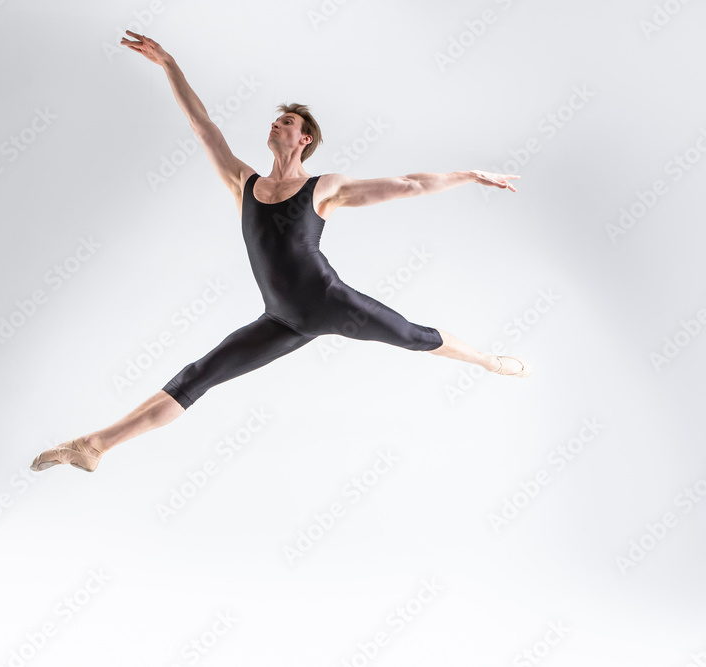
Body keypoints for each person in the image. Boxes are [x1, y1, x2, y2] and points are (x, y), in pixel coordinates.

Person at [30, 31, 529, 474]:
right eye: (275, 120)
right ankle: (92, 445)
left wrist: (470, 174)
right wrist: (169, 65)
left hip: (334, 304)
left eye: (286, 122)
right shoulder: (243, 183)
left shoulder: (323, 188)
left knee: (415, 337)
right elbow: (204, 126)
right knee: (195, 377)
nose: (276, 125)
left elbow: (409, 183)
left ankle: (487, 361)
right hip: (282, 319)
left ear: (304, 138)